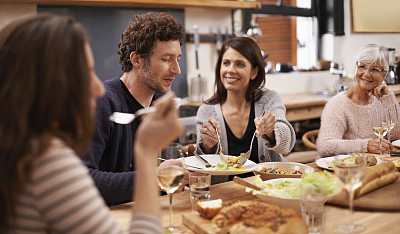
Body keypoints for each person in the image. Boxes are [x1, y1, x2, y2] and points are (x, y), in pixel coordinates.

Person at [0, 13, 183, 233]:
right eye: (84, 74)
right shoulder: (46, 161)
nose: (98, 88)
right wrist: (147, 159)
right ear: (47, 83)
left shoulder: (22, 150)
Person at [83, 12, 187, 206]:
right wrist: (152, 178)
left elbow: (172, 160)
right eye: (167, 59)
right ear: (137, 59)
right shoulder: (102, 103)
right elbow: (83, 179)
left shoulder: (162, 103)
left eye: (178, 59)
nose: (177, 70)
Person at [195, 37, 296, 183]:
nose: (230, 70)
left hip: (270, 186)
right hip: (225, 192)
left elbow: (287, 146)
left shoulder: (268, 100)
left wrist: (271, 130)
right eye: (226, 63)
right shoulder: (206, 111)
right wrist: (208, 146)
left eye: (240, 64)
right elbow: (202, 164)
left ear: (254, 72)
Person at [317, 44, 400, 159]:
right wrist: (365, 145)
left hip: (376, 165)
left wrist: (389, 100)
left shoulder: (385, 99)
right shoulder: (338, 104)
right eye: (362, 67)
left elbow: (397, 139)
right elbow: (325, 146)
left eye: (374, 69)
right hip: (346, 169)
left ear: (384, 74)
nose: (366, 74)